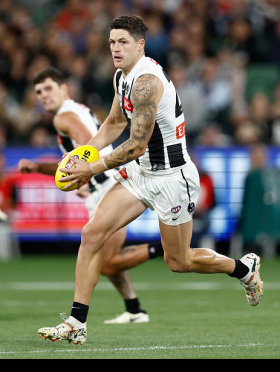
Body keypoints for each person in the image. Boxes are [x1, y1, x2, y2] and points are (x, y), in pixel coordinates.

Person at [38, 16, 263, 345]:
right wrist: (83, 154)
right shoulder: (122, 76)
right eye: (112, 42)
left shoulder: (146, 81)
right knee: (92, 234)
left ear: (140, 45)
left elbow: (136, 144)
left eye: (123, 42)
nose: (116, 48)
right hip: (141, 172)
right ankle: (77, 322)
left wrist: (92, 168)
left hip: (173, 177)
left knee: (179, 261)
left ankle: (243, 270)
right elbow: (114, 124)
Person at [19, 67, 164, 325]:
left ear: (64, 88)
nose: (43, 95)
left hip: (107, 185)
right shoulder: (78, 109)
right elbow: (77, 156)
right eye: (38, 92)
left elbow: (86, 147)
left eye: (49, 88)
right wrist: (41, 168)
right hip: (104, 184)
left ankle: (164, 248)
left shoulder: (62, 118)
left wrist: (84, 173)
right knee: (105, 255)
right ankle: (134, 309)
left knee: (106, 262)